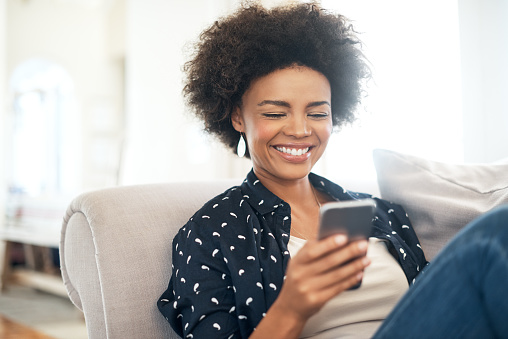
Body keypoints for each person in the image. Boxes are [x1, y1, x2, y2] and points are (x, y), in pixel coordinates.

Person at [158, 3, 508, 338]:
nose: (299, 129)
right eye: (275, 113)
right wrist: (292, 308)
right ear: (238, 117)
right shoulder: (210, 232)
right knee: (496, 230)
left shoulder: (380, 213)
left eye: (317, 112)